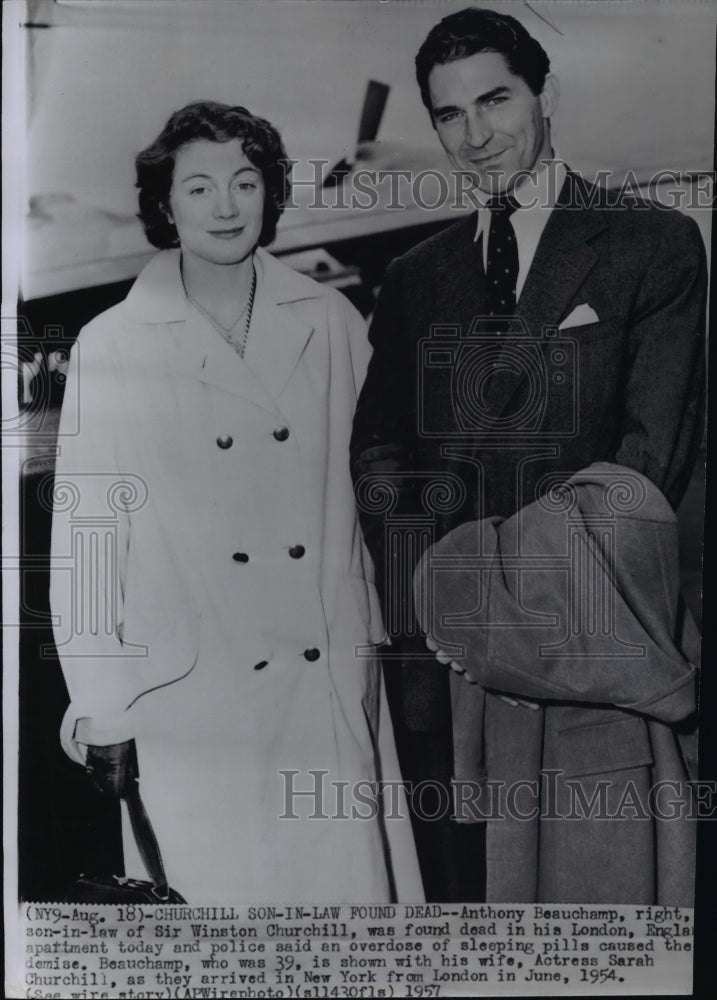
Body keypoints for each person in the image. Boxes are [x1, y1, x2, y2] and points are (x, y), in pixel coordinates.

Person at [351, 8, 705, 901]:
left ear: (544, 95)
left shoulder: (651, 244)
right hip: (456, 663)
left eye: (495, 100)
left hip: (596, 637)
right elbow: (380, 451)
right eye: (448, 115)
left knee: (614, 906)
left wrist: (491, 596)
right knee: (483, 922)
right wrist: (437, 599)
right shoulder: (412, 278)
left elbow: (645, 462)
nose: (475, 135)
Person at [50, 101, 423, 903]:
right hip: (190, 699)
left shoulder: (330, 318)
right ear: (164, 204)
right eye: (198, 187)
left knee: (342, 930)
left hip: (322, 675)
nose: (225, 206)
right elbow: (86, 544)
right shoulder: (111, 344)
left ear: (270, 193)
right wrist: (101, 706)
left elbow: (381, 489)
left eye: (244, 182)